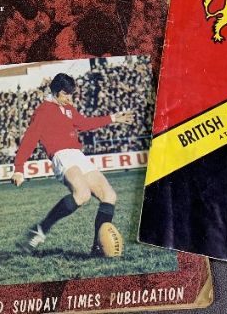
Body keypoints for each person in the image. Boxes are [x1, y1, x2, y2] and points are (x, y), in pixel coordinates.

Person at [12, 72, 135, 256]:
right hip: (62, 155)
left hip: (78, 155)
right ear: (55, 92)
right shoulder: (43, 111)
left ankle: (97, 247)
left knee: (109, 195)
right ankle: (40, 230)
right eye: (66, 94)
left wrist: (113, 118)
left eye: (71, 94)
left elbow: (83, 124)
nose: (69, 98)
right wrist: (19, 168)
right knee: (82, 194)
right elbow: (30, 139)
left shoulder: (68, 108)